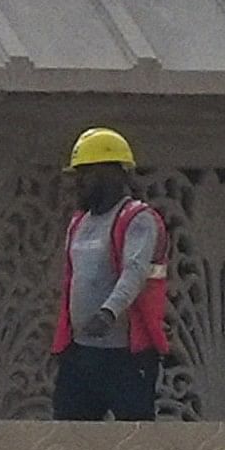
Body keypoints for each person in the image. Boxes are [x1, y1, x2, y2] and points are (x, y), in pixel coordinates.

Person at [50, 127, 169, 420]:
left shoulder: (137, 219)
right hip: (82, 353)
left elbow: (135, 272)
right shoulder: (79, 223)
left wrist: (108, 313)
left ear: (112, 174)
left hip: (126, 355)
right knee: (70, 435)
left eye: (85, 173)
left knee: (134, 437)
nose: (78, 183)